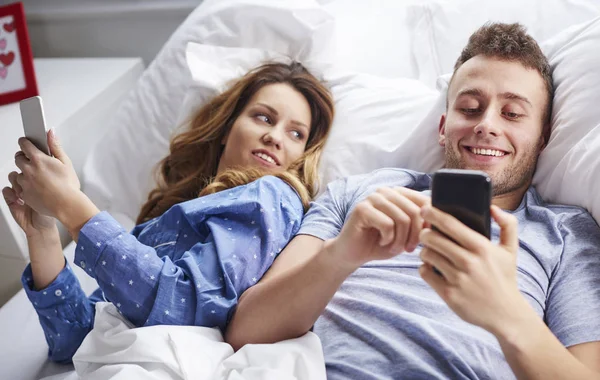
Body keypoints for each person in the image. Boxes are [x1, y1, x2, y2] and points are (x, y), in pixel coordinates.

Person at [225, 23, 600, 379]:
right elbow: (246, 331)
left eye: (513, 113)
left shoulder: (566, 235)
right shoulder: (358, 192)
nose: (487, 124)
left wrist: (507, 313)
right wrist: (340, 256)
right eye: (469, 108)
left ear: (543, 136)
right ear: (442, 127)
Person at [1, 62, 334, 363]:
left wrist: (74, 209)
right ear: (227, 128)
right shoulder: (171, 218)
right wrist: (42, 232)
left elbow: (186, 306)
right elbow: (75, 340)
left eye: (296, 133)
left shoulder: (273, 195)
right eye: (264, 116)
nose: (275, 137)